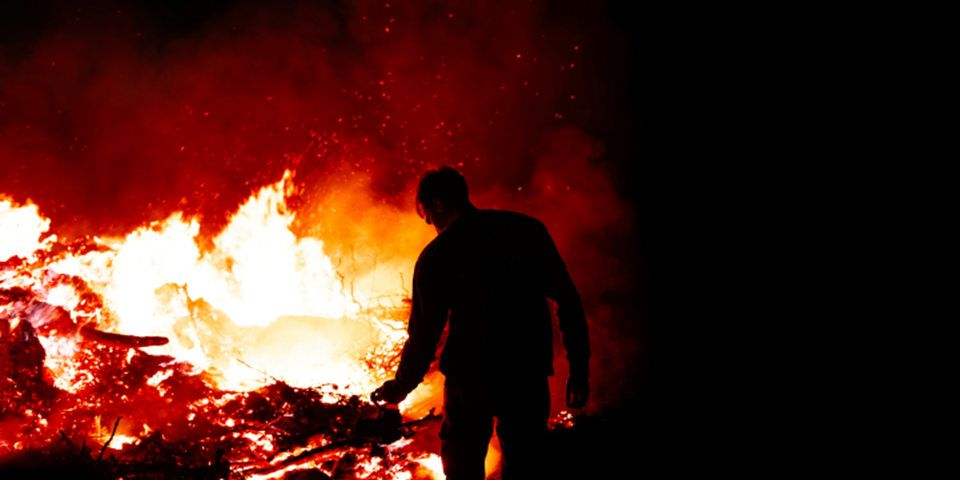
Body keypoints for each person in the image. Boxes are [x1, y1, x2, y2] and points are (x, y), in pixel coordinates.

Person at [372, 167, 590, 480]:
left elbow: (423, 339)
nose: (432, 227)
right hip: (526, 375)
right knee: (528, 467)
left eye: (428, 218)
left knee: (462, 469)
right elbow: (568, 300)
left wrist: (398, 390)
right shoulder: (526, 231)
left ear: (437, 205)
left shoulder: (437, 255)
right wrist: (579, 370)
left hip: (469, 382)